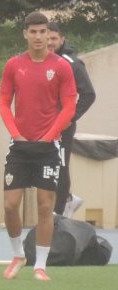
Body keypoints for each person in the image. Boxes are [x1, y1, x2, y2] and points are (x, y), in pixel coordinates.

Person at [0, 12, 76, 281]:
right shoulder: (13, 65)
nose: (39, 37)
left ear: (48, 34)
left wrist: (51, 134)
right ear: (25, 34)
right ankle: (17, 254)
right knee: (10, 205)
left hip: (48, 148)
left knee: (45, 207)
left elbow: (69, 107)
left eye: (43, 31)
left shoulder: (62, 67)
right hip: (19, 147)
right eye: (33, 32)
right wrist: (15, 133)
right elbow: (3, 102)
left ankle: (40, 265)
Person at [47, 23, 96, 217]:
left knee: (60, 165)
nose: (50, 42)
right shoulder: (41, 60)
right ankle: (67, 199)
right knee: (47, 166)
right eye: (47, 38)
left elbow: (89, 94)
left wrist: (70, 118)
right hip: (42, 124)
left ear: (62, 39)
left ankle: (59, 212)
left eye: (54, 39)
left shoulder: (72, 63)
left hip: (63, 126)